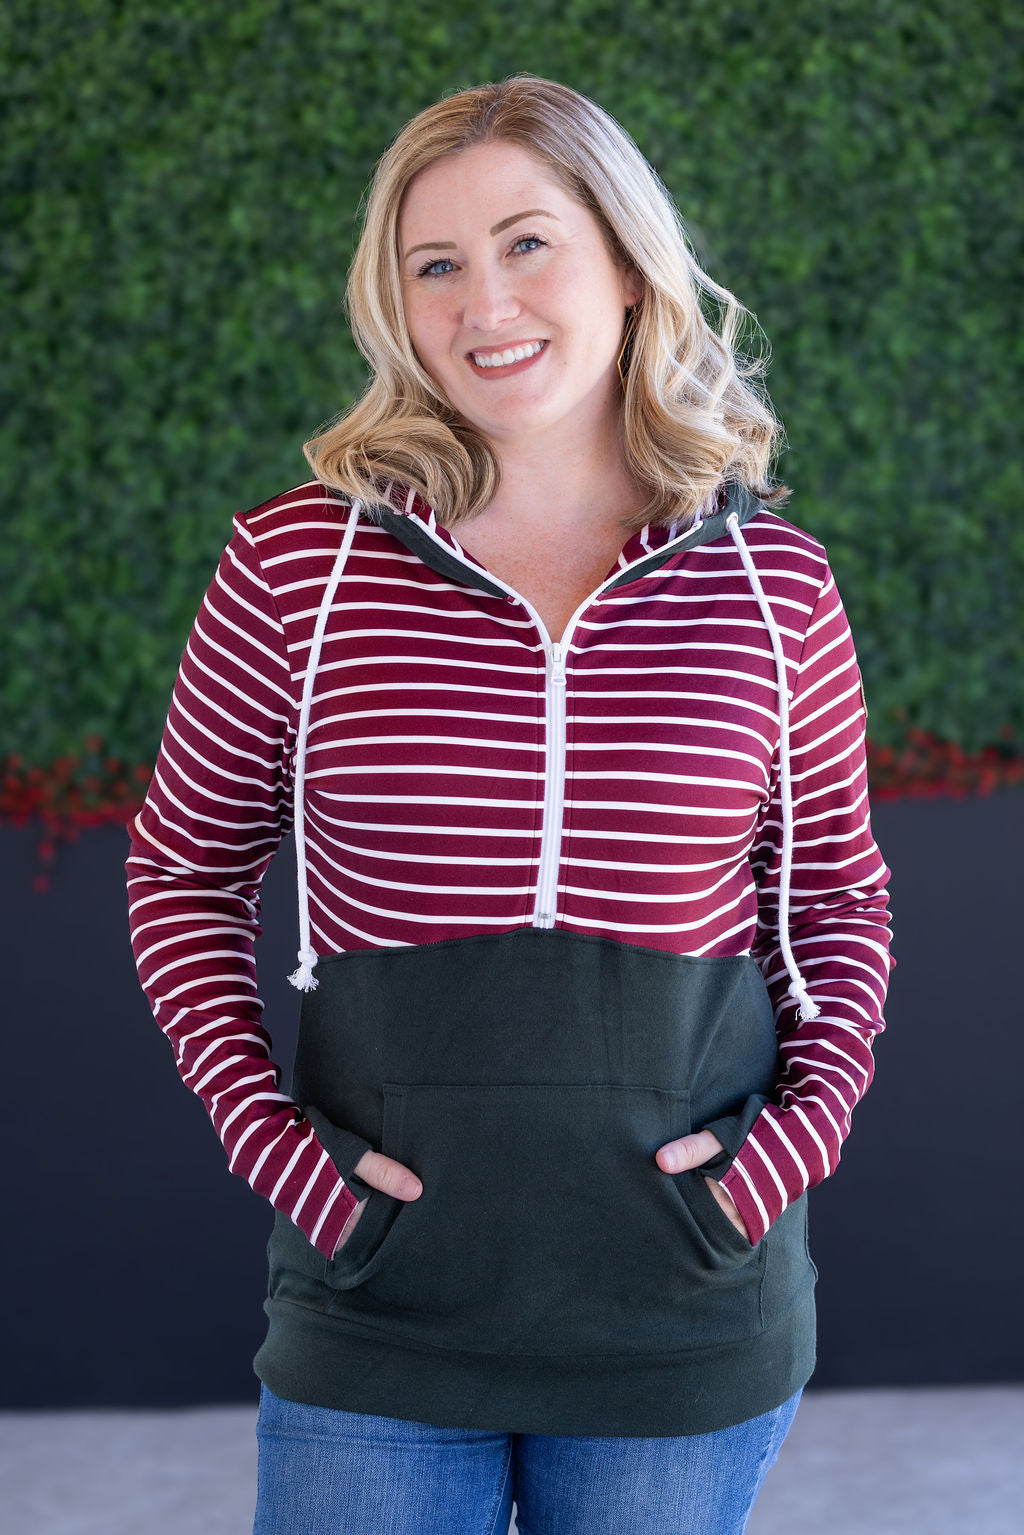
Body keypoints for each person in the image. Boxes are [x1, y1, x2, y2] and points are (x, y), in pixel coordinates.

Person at [126, 74, 893, 1535]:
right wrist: (284, 1157)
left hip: (684, 1303)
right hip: (382, 1300)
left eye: (529, 242)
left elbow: (836, 901)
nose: (486, 301)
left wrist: (781, 1157)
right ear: (395, 301)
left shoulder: (771, 585)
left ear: (624, 255)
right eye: (437, 264)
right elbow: (181, 876)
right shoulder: (299, 568)